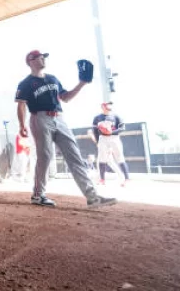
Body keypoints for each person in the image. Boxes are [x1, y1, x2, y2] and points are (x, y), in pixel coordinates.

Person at [15, 50, 116, 208]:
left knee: (74, 155)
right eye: (40, 57)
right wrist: (22, 125)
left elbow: (66, 97)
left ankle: (92, 197)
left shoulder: (53, 78)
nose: (43, 59)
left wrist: (82, 83)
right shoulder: (26, 83)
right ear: (31, 61)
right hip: (39, 118)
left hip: (59, 118)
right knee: (45, 156)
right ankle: (38, 194)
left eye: (44, 57)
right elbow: (21, 105)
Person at [89, 102, 129, 186]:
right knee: (102, 159)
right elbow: (95, 131)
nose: (109, 106)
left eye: (110, 104)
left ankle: (126, 179)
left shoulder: (116, 116)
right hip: (102, 138)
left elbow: (122, 128)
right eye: (107, 104)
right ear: (102, 106)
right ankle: (102, 180)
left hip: (114, 138)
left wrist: (112, 132)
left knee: (120, 158)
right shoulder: (97, 118)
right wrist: (97, 141)